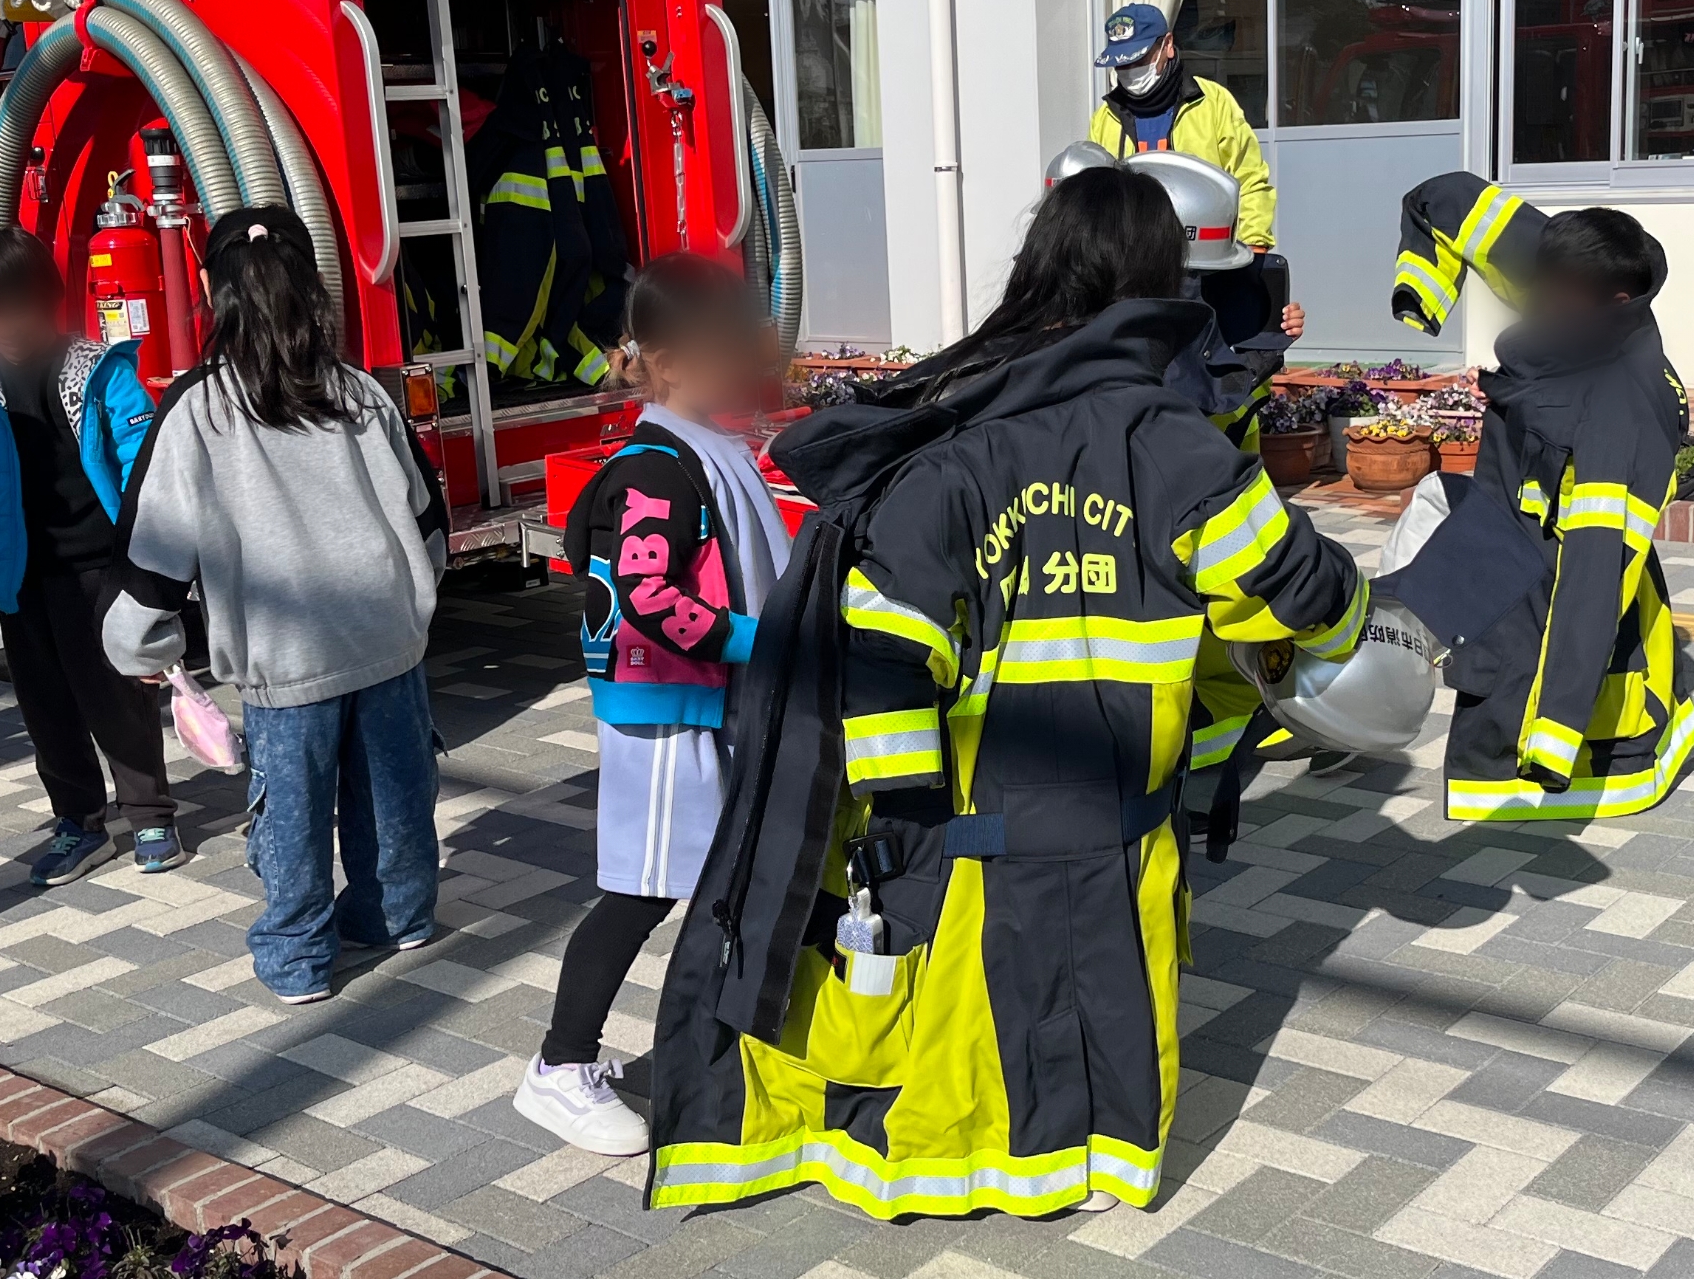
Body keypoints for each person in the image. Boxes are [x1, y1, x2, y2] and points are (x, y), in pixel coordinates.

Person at [646, 165, 1370, 1220]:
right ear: (1163, 285)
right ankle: (1076, 1170)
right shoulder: (1176, 448)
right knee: (1093, 1003)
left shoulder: (954, 433)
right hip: (1115, 820)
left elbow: (881, 641)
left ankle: (951, 1165)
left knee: (971, 1010)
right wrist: (1360, 627)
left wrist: (901, 815)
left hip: (968, 825)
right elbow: (1301, 594)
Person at [101, 203, 446, 1004]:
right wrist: (414, 601)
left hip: (283, 653)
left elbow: (154, 547)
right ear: (314, 285)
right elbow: (425, 517)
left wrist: (141, 646)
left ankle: (297, 957)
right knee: (394, 795)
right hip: (385, 632)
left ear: (209, 290)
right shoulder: (360, 391)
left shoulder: (199, 407)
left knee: (292, 812)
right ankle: (397, 916)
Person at [515, 255, 791, 1158]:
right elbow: (646, 598)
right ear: (669, 363)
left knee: (718, 885)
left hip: (711, 705)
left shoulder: (707, 444)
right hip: (671, 715)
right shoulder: (657, 468)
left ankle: (720, 1044)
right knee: (641, 892)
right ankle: (559, 1068)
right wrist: (760, 641)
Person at [1379, 173, 1694, 821]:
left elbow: (1593, 576)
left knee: (1516, 657)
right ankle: (1372, 676)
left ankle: (1544, 755)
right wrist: (1422, 292)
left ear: (1613, 302)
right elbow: (1449, 200)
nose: (1534, 300)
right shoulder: (1569, 273)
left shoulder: (1618, 414)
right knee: (1429, 522)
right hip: (1508, 523)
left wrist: (1553, 733)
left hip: (1548, 572)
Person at [0, 227, 177, 885]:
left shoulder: (100, 369)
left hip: (100, 572)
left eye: (15, 307)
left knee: (117, 697)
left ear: (47, 298)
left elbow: (146, 469)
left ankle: (150, 814)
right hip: (19, 579)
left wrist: (156, 574)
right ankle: (78, 823)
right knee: (46, 709)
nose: (2, 325)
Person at [1086, 1, 1277, 249]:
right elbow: (1092, 197)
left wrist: (1254, 243)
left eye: (1139, 59)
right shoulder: (1105, 117)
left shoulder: (1212, 103)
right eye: (1121, 64)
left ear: (1167, 45)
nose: (1129, 71)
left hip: (1203, 255)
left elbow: (1249, 178)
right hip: (1129, 258)